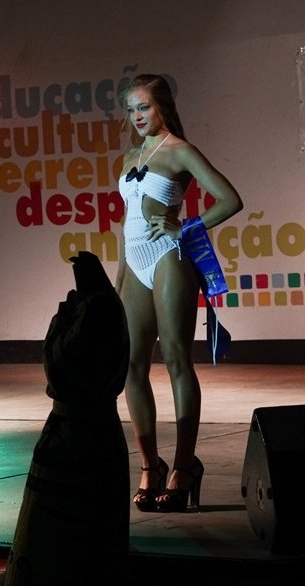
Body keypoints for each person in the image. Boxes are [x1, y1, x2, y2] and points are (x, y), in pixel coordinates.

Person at [115, 73, 243, 513]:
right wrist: (118, 280)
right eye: (131, 109)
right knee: (131, 364)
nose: (137, 116)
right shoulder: (130, 155)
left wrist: (186, 227)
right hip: (134, 262)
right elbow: (126, 221)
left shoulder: (180, 151)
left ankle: (185, 467)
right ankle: (150, 465)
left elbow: (230, 199)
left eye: (144, 107)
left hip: (168, 258)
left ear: (162, 107)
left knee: (175, 359)